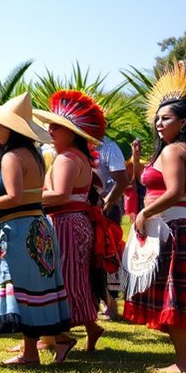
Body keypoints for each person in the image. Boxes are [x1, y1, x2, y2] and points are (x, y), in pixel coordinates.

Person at [0, 93, 72, 366]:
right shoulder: (32, 154)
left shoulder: (11, 157)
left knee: (21, 288)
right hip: (37, 225)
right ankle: (50, 342)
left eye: (0, 124)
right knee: (33, 289)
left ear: (14, 129)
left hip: (18, 229)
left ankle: (33, 352)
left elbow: (13, 197)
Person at [122, 63, 186, 373]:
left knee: (176, 295)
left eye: (166, 118)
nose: (159, 124)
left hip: (175, 230)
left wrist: (146, 211)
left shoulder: (175, 151)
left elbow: (173, 191)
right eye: (157, 119)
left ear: (184, 121)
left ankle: (184, 363)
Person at [34, 90, 111, 355]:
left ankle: (59, 336)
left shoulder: (67, 158)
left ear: (72, 133)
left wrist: (24, 197)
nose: (50, 130)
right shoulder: (75, 157)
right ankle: (78, 331)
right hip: (73, 222)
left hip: (67, 222)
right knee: (74, 278)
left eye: (57, 127)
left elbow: (60, 195)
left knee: (64, 279)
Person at [94, 134, 128, 316]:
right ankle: (100, 299)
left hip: (108, 206)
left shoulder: (108, 147)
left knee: (108, 252)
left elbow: (122, 180)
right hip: (88, 206)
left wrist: (107, 204)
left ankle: (111, 300)